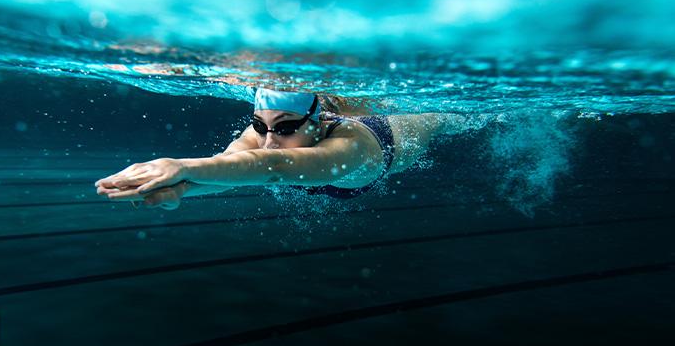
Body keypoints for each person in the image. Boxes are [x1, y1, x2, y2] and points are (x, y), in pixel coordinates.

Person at [95, 88, 450, 209]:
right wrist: (181, 191)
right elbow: (229, 167)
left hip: (397, 135)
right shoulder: (266, 135)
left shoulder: (350, 147)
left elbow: (274, 167)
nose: (268, 140)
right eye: (260, 125)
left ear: (317, 123)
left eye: (284, 127)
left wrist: (180, 166)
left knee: (444, 117)